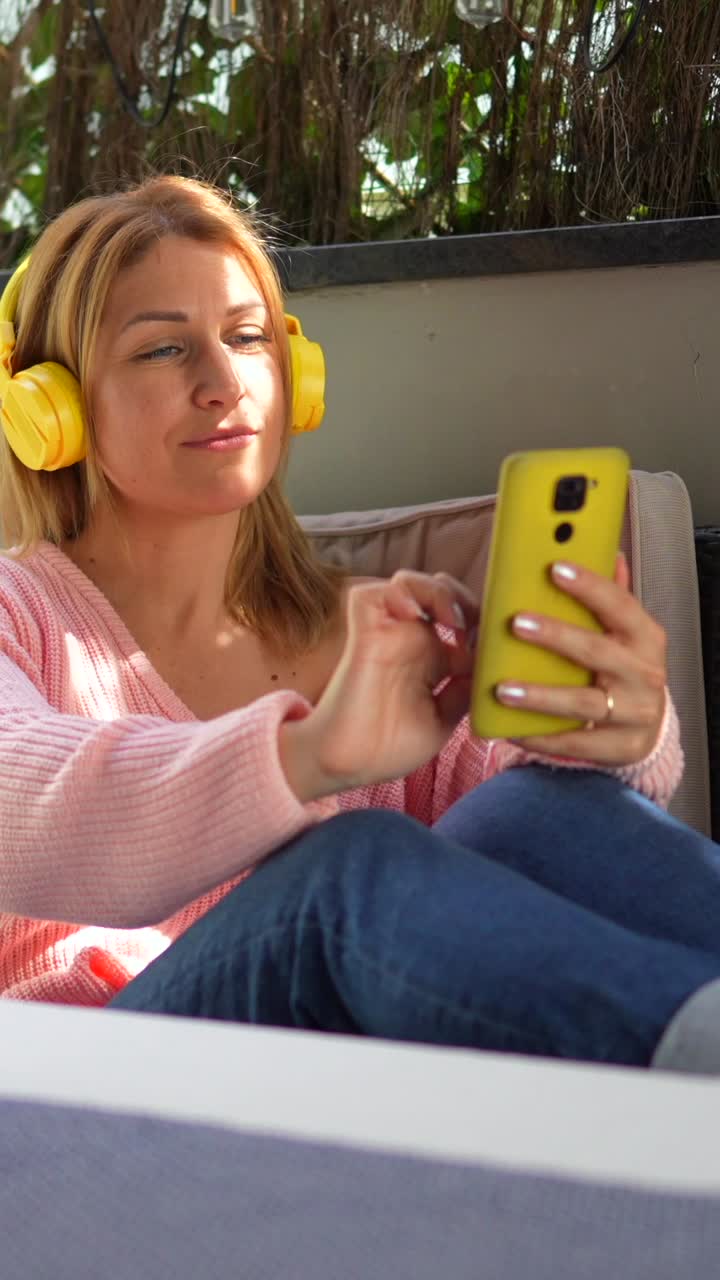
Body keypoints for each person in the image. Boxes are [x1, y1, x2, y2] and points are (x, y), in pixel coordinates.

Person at [1, 174, 720, 1074]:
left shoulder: (371, 632)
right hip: (85, 1090)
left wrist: (613, 732)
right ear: (50, 410)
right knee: (345, 871)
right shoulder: (16, 611)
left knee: (538, 809)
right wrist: (314, 753)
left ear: (296, 376)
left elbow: (509, 837)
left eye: (247, 337)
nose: (223, 383)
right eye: (160, 351)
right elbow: (22, 808)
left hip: (355, 1085)